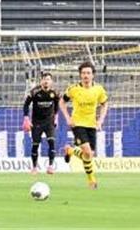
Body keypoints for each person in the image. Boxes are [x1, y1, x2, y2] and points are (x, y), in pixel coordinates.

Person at [59, 61, 107, 189]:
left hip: (91, 125)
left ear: (93, 75)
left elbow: (105, 104)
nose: (86, 75)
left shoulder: (99, 89)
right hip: (78, 123)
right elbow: (62, 102)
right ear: (80, 75)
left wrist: (100, 120)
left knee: (89, 154)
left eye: (88, 73)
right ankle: (91, 180)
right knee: (86, 151)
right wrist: (68, 118)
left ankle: (71, 150)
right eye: (83, 73)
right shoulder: (73, 89)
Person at [22, 71, 59, 174]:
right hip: (37, 122)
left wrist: (56, 117)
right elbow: (26, 105)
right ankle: (34, 168)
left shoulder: (54, 92)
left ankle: (50, 166)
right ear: (41, 81)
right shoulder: (34, 92)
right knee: (35, 144)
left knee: (51, 142)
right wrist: (26, 118)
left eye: (48, 79)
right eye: (44, 79)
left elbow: (57, 105)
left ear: (51, 81)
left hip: (49, 121)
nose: (46, 82)